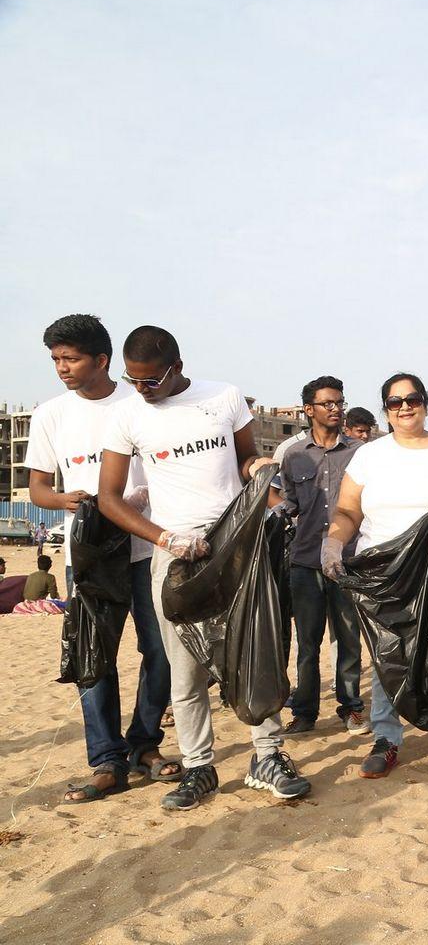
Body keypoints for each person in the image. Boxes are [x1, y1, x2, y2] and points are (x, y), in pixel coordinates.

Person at [98, 325, 310, 809]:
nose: (142, 390)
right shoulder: (127, 416)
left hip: (236, 546)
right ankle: (198, 768)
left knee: (252, 651)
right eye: (133, 380)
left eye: (151, 381)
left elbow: (244, 459)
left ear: (177, 366)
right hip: (176, 553)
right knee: (185, 668)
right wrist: (164, 537)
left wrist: (256, 469)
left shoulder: (225, 397)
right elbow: (109, 498)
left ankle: (268, 757)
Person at [25, 314, 179, 803]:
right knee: (94, 657)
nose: (62, 368)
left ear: (102, 360)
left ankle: (145, 744)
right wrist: (72, 501)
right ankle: (106, 760)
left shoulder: (141, 402)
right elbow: (38, 489)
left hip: (145, 547)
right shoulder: (51, 414)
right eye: (55, 359)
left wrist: (131, 501)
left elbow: (170, 466)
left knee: (161, 651)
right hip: (87, 555)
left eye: (71, 358)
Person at [325, 372, 428, 778]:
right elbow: (349, 511)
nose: (404, 407)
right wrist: (332, 543)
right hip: (386, 577)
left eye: (412, 399)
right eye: (395, 401)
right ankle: (386, 738)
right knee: (389, 655)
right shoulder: (369, 455)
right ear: (385, 409)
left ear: (425, 402)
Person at [278, 376, 367, 736]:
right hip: (305, 561)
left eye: (339, 402)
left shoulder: (359, 452)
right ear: (308, 410)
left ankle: (351, 708)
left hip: (347, 560)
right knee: (308, 642)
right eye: (327, 403)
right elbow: (290, 503)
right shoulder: (294, 455)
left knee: (348, 638)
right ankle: (305, 712)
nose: (335, 409)